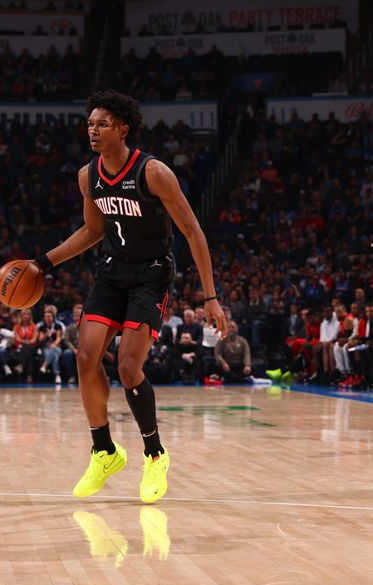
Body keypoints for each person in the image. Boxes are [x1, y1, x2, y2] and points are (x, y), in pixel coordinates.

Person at [24, 90, 226, 504]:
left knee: (129, 367)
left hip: (151, 276)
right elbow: (92, 231)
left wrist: (210, 296)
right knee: (85, 357)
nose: (93, 131)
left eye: (101, 124)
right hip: (112, 273)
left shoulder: (154, 173)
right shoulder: (88, 175)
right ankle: (104, 451)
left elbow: (193, 232)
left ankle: (155, 454)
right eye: (90, 125)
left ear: (123, 129)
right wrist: (42, 263)